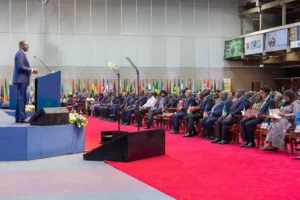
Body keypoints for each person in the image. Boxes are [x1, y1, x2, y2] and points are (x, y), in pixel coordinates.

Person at [13, 41, 39, 123]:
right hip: (21, 79)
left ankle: (18, 117)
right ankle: (23, 118)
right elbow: (20, 67)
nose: (28, 46)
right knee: (22, 99)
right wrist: (31, 70)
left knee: (19, 98)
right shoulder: (20, 53)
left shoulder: (20, 53)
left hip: (20, 79)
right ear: (22, 46)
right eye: (26, 45)